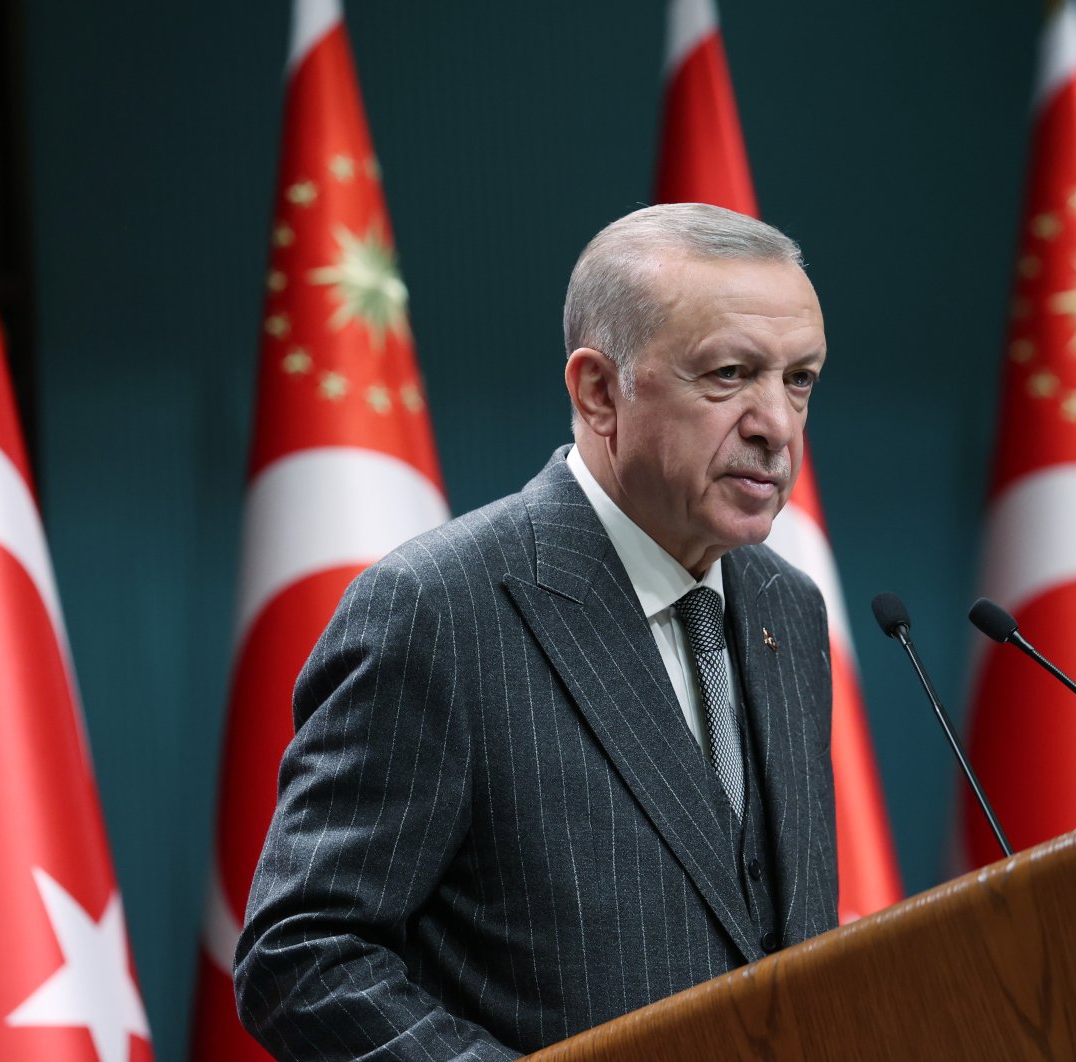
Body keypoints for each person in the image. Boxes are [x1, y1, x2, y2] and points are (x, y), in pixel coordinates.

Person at [234, 203, 838, 1060]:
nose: (776, 423)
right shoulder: (439, 609)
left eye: (799, 379)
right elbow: (302, 957)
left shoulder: (786, 607)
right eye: (729, 373)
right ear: (598, 392)